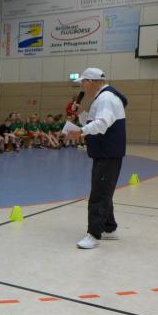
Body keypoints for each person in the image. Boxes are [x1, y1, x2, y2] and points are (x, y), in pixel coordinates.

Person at [67, 68, 128, 250]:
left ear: (92, 82)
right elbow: (94, 122)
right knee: (104, 191)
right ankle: (109, 228)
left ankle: (94, 235)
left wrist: (80, 131)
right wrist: (80, 114)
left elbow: (101, 124)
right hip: (105, 153)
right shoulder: (103, 97)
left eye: (83, 82)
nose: (82, 86)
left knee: (99, 194)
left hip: (107, 154)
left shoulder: (106, 98)